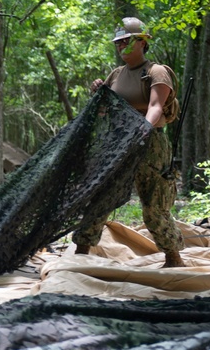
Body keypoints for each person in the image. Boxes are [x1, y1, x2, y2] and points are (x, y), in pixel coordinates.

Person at [72, 17, 184, 267]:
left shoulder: (156, 71)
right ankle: (81, 252)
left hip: (150, 144)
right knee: (100, 196)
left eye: (127, 41)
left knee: (154, 205)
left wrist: (140, 131)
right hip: (118, 144)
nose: (122, 46)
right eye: (119, 43)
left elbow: (155, 106)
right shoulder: (116, 75)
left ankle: (173, 258)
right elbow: (105, 112)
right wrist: (99, 92)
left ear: (142, 42)